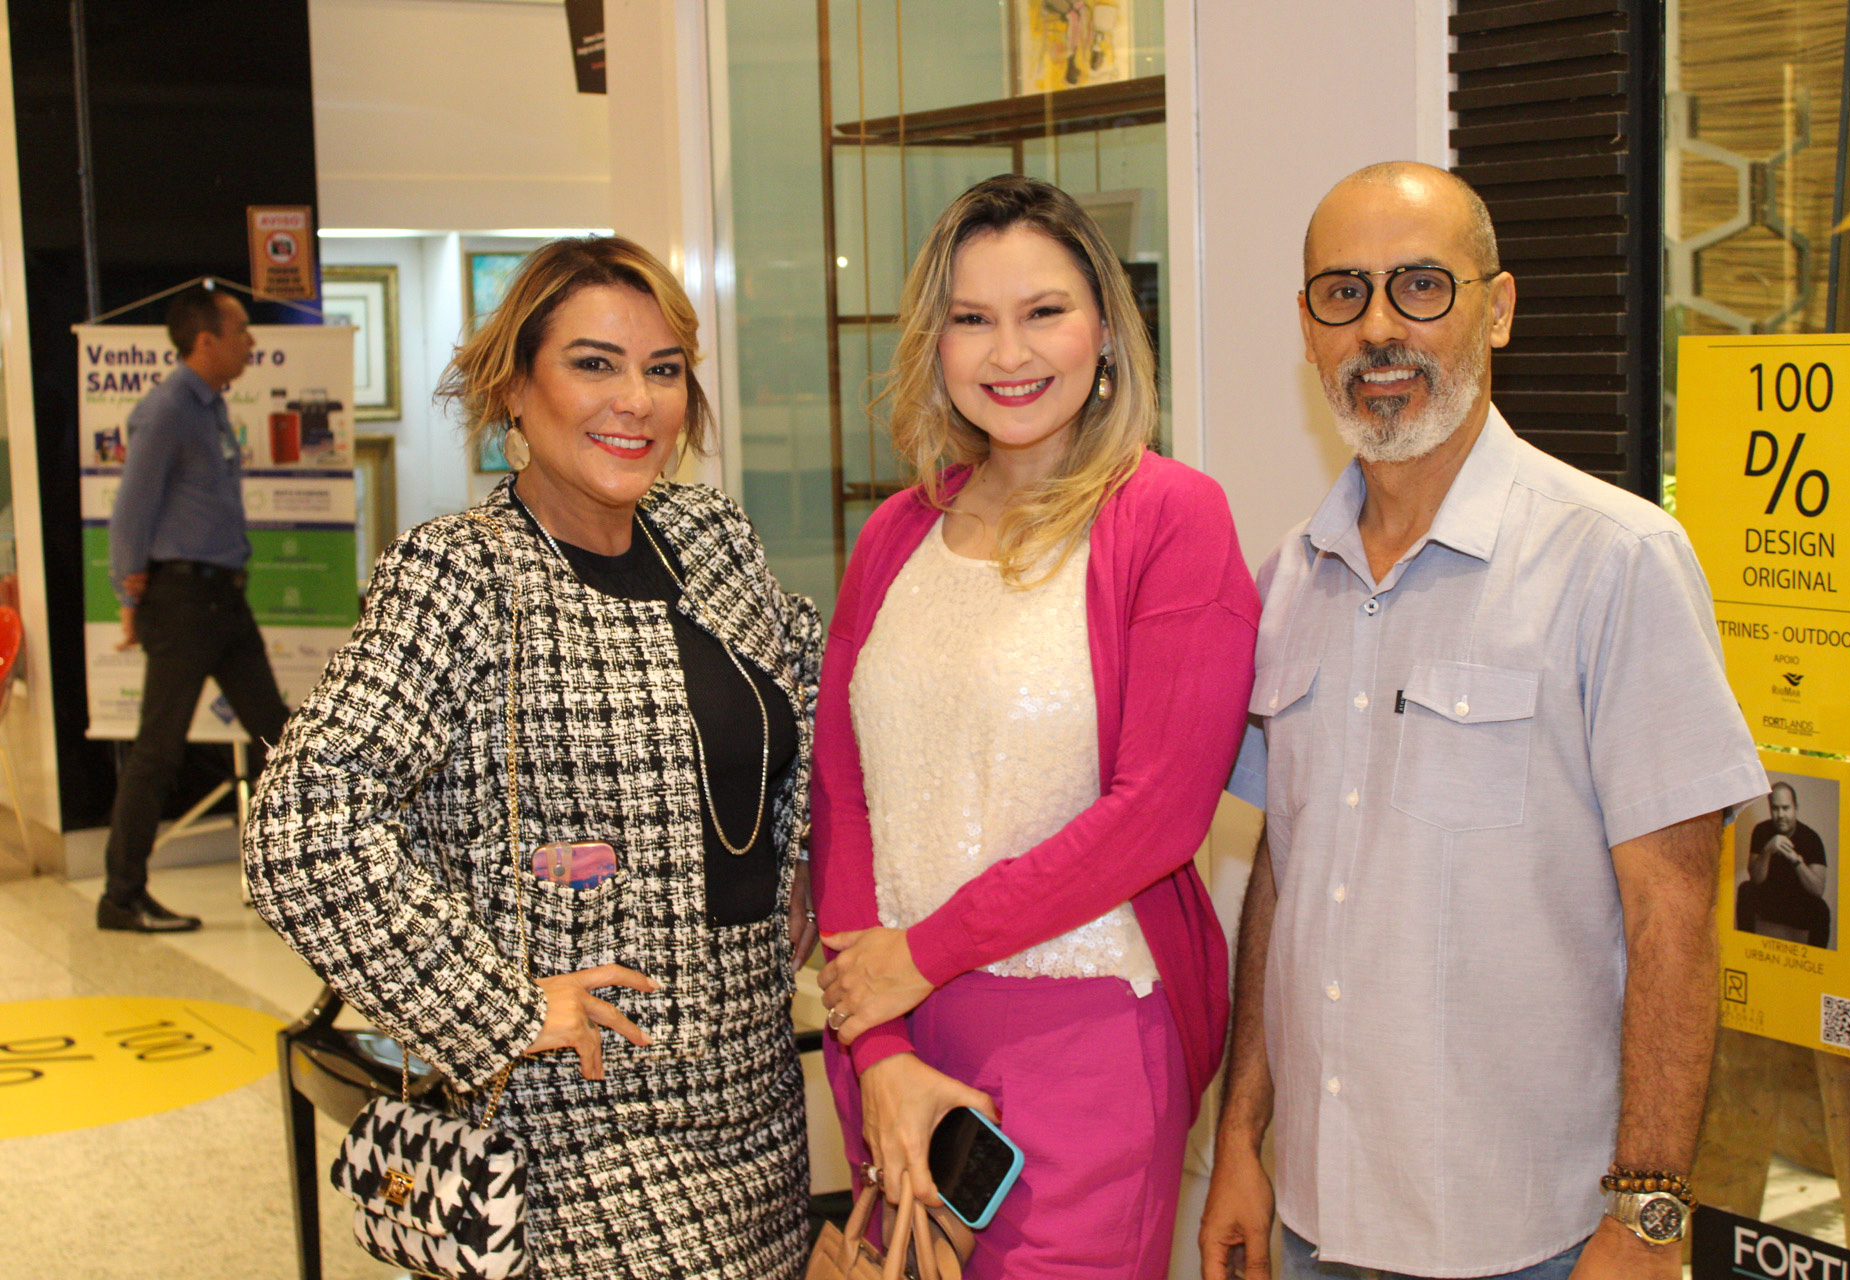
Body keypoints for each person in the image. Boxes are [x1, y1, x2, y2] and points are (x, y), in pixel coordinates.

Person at [1198, 163, 1767, 1280]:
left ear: (1496, 308)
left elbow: (1673, 913)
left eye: (1420, 286)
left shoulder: (1616, 561)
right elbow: (1283, 874)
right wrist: (1240, 1139)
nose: (1378, 329)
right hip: (1315, 1218)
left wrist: (1647, 1218)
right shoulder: (1290, 579)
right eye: (1343, 293)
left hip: (1534, 1237)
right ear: (1307, 328)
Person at [245, 236, 822, 1279]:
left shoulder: (710, 539)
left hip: (757, 1092)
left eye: (662, 369)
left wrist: (809, 863)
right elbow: (299, 832)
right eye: (594, 363)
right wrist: (498, 1008)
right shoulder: (463, 573)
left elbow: (809, 692)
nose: (635, 401)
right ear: (514, 386)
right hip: (576, 1112)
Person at [811, 174, 1259, 1279]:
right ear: (936, 344)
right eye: (972, 318)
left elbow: (1157, 814)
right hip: (899, 1037)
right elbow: (842, 793)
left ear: (1104, 328)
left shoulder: (1170, 517)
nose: (1007, 352)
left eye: (1043, 311)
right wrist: (878, 1042)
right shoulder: (895, 536)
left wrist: (922, 955)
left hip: (1084, 1042)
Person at [101, 285, 290, 933]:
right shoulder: (167, 410)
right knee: (158, 752)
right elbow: (130, 513)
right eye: (240, 331)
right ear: (205, 340)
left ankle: (297, 879)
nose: (251, 342)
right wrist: (128, 597)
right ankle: (121, 896)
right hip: (182, 602)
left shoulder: (210, 406)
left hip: (223, 599)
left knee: (280, 741)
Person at [1736, 782, 1831, 948]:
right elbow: (1756, 879)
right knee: (1745, 889)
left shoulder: (1811, 838)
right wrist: (1767, 850)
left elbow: (1818, 890)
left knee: (1821, 909)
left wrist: (1796, 861)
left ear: (1795, 808)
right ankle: (1743, 947)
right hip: (1769, 902)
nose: (1780, 815)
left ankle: (1817, 960)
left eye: (1786, 808)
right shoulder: (1761, 831)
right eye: (1775, 808)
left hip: (1797, 907)